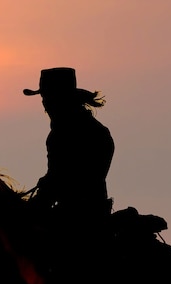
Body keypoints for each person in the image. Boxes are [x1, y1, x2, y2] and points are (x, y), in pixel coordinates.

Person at [24, 67, 115, 238]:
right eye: (44, 98)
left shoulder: (64, 134)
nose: (45, 103)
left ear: (63, 98)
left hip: (80, 217)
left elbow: (62, 178)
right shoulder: (96, 130)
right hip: (89, 211)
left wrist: (37, 203)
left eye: (48, 97)